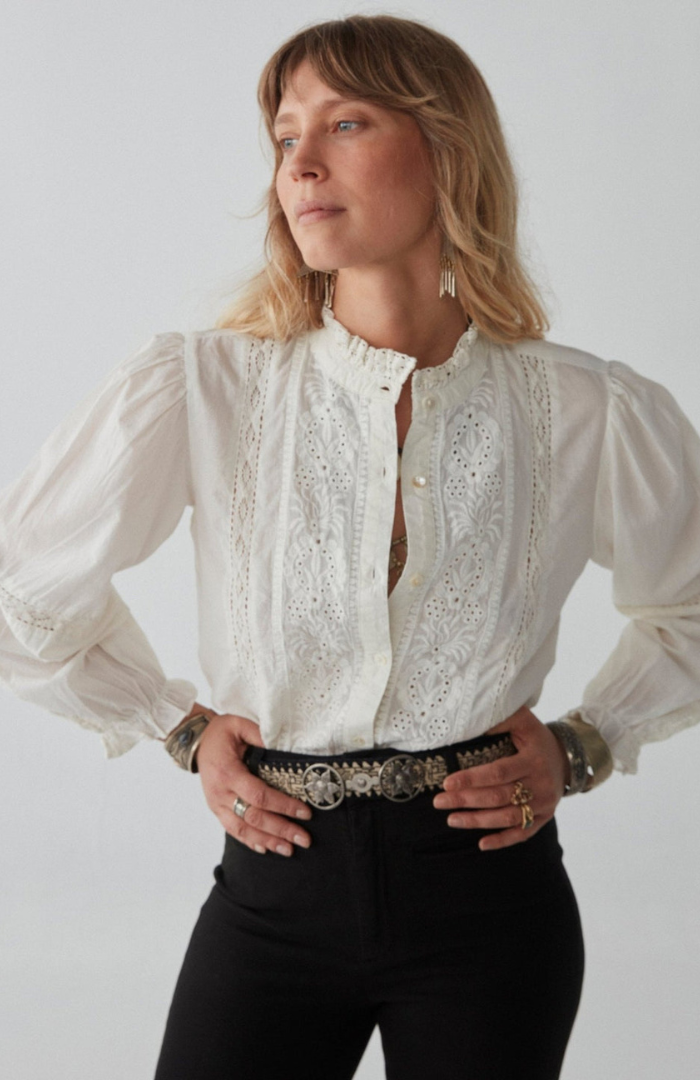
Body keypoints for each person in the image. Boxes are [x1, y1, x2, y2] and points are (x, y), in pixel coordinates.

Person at [0, 13, 698, 1080]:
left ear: (447, 147)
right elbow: (23, 590)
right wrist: (176, 726)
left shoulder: (583, 407)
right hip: (273, 894)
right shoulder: (203, 387)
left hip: (491, 902)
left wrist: (588, 742)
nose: (300, 165)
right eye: (286, 137)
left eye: (346, 123)